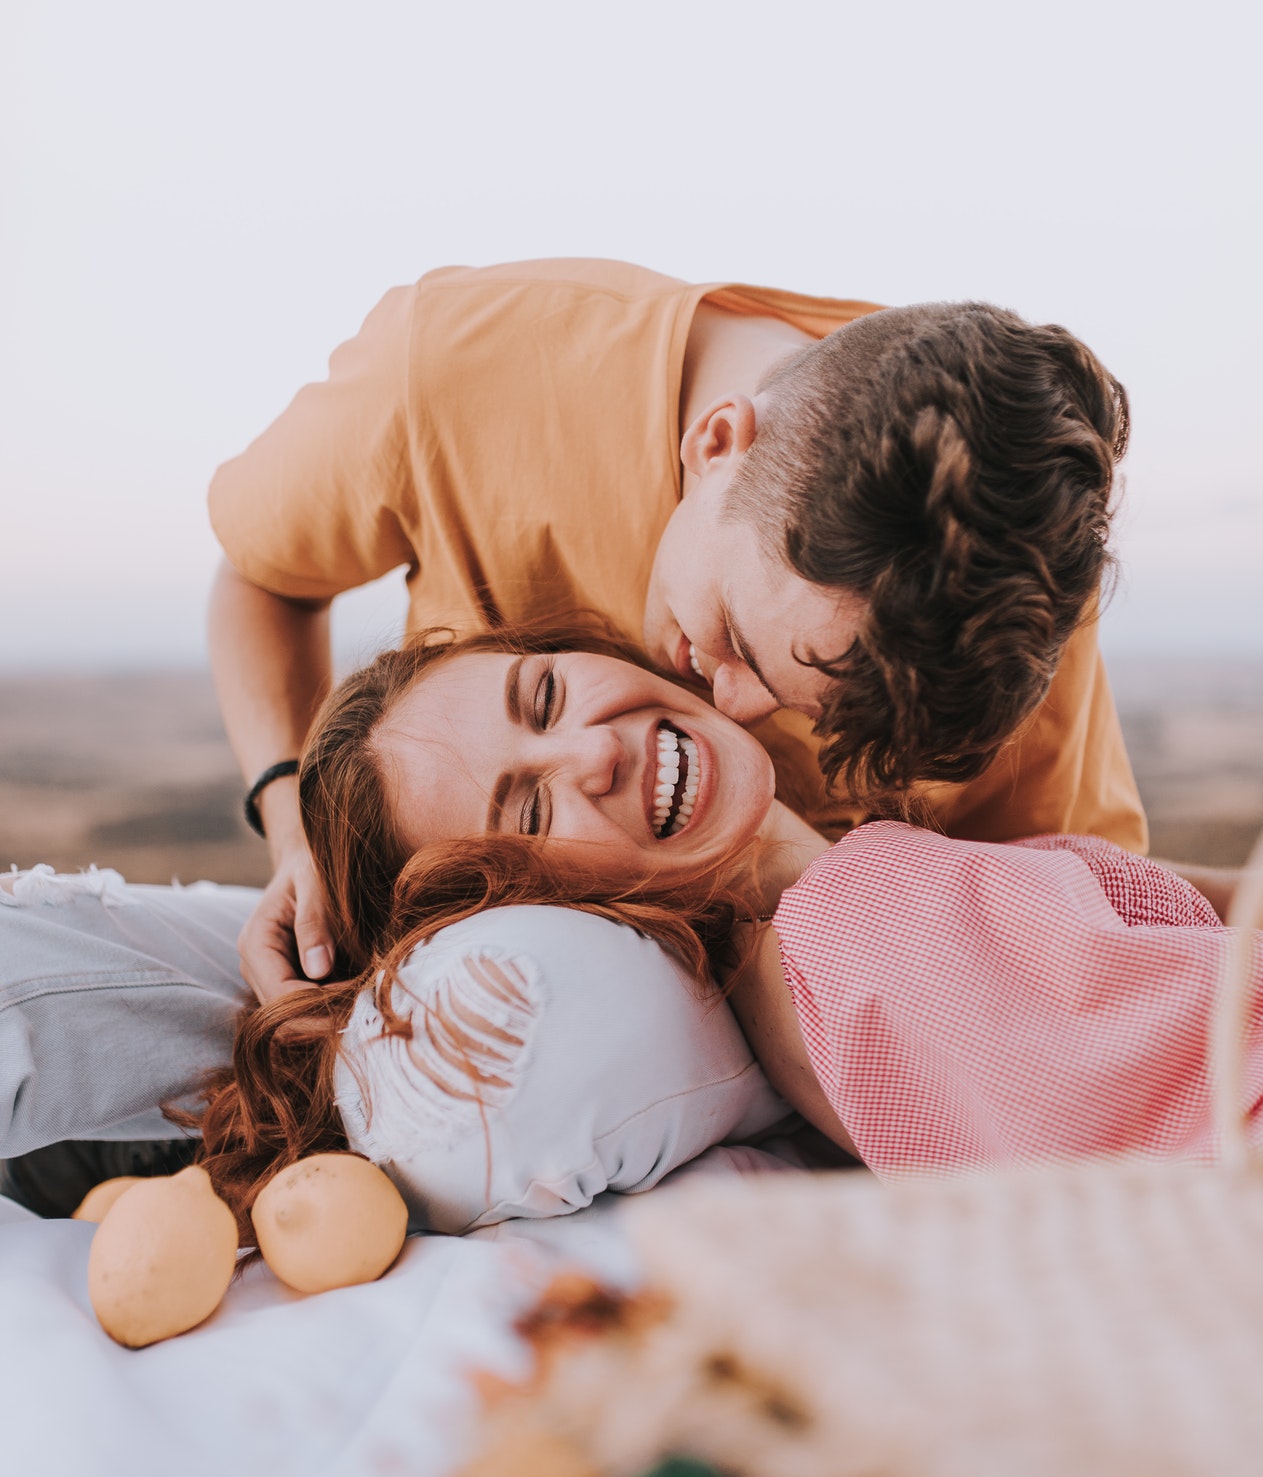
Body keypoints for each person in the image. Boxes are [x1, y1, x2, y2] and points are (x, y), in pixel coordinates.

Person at [205, 260, 1143, 1002]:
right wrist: (296, 832)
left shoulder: (999, 604)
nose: (733, 707)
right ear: (718, 443)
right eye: (734, 636)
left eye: (804, 705)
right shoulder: (450, 369)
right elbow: (263, 580)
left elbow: (1076, 929)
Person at [194, 625, 1263, 1232]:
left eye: (545, 693)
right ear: (521, 901)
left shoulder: (863, 888)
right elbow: (1197, 1142)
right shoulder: (851, 934)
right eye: (526, 810)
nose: (593, 753)